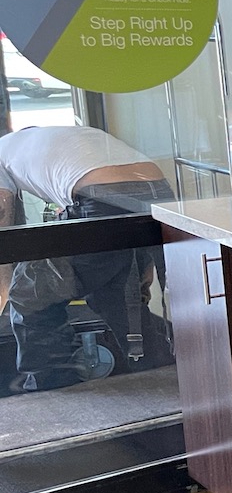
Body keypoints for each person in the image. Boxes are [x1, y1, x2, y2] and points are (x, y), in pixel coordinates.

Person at [0, 126, 175, 392]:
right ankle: (162, 372)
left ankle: (49, 389)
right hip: (158, 190)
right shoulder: (49, 139)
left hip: (99, 197)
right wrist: (144, 263)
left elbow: (3, 224)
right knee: (116, 294)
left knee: (29, 293)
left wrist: (4, 289)